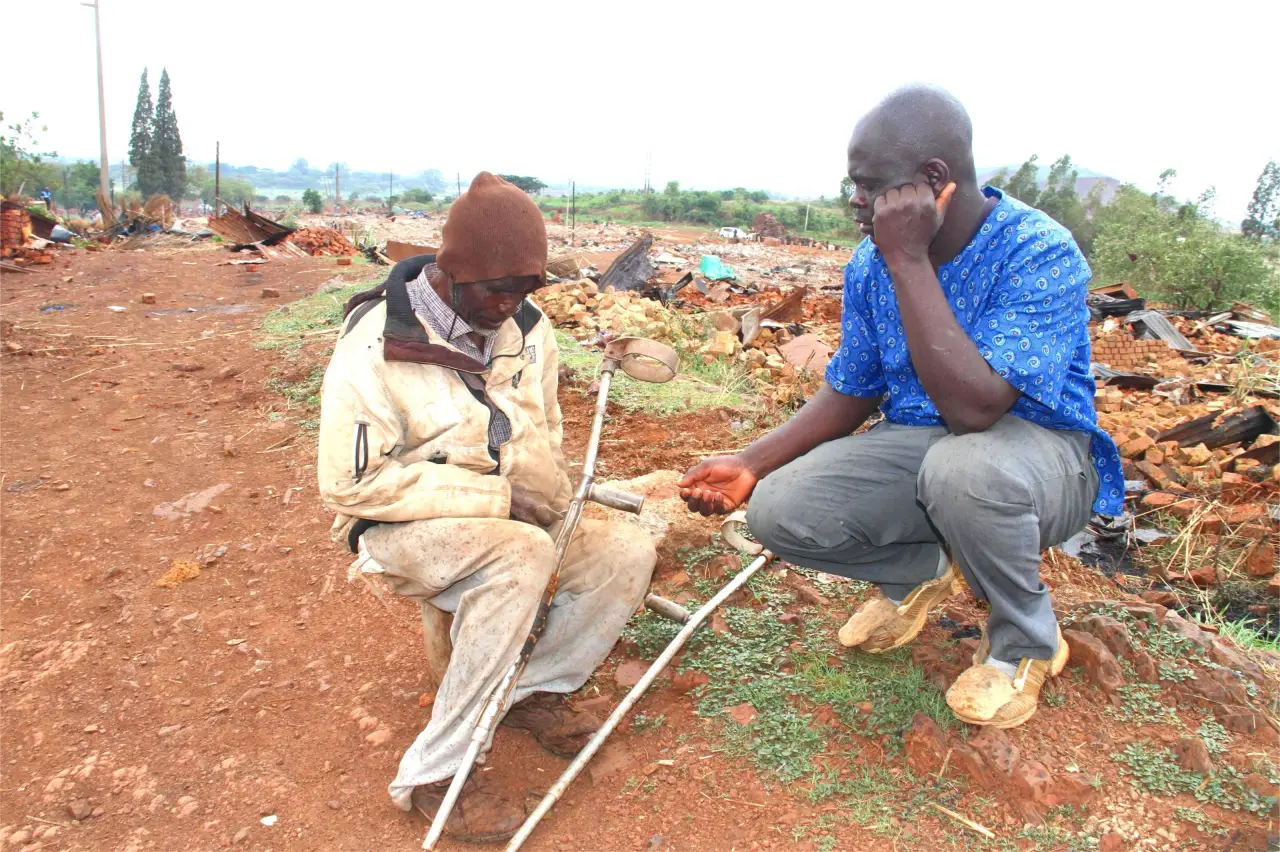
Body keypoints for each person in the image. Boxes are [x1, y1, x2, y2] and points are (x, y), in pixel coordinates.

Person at [679, 86, 1123, 730]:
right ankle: (925, 568)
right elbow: (853, 387)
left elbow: (976, 410)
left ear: (931, 181)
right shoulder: (870, 263)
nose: (855, 200)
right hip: (929, 448)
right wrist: (752, 463)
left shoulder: (1038, 251)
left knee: (964, 468)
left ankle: (1024, 643)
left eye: (869, 186)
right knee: (779, 510)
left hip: (1040, 457)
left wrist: (908, 260)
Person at [317, 172, 656, 841]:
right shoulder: (371, 349)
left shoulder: (529, 329)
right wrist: (494, 498)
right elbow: (352, 487)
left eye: (525, 289)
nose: (509, 305)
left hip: (518, 512)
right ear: (452, 272)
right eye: (497, 289)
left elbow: (547, 432)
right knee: (520, 556)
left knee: (626, 550)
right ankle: (437, 773)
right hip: (396, 524)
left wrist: (557, 505)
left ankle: (528, 693)